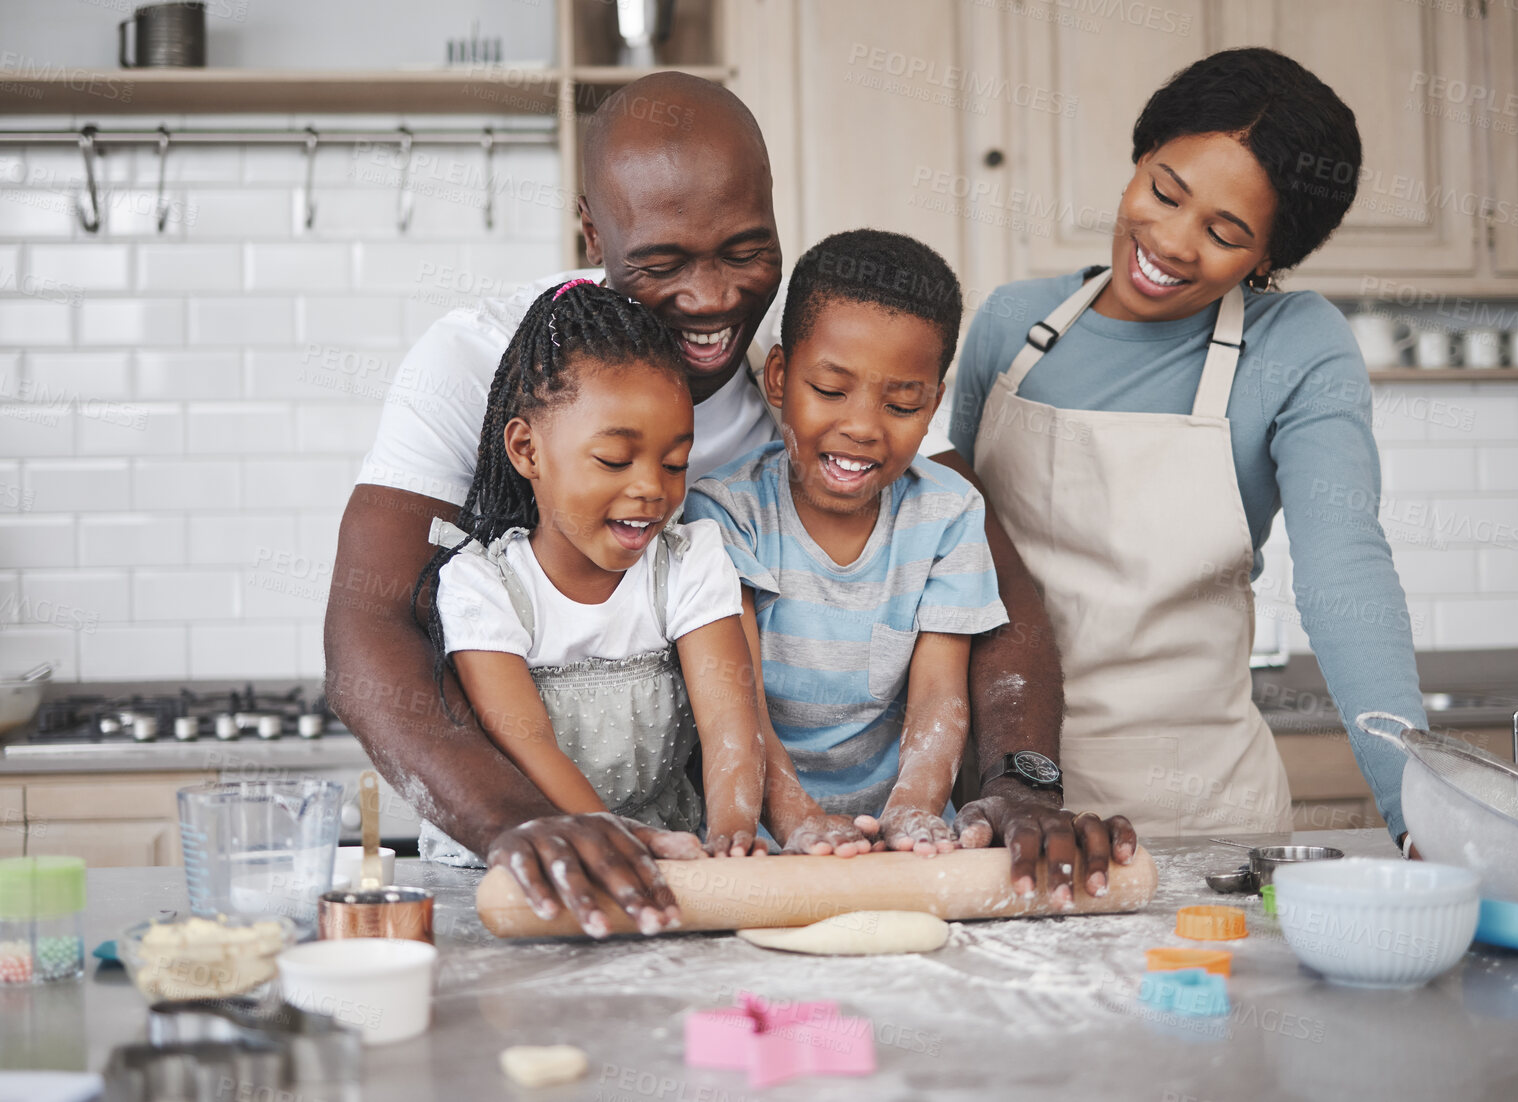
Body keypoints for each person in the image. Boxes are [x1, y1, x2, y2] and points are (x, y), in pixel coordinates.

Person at [326, 73, 1135, 934]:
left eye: (746, 252)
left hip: (715, 867)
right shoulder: (485, 363)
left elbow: (999, 601)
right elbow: (368, 628)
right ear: (593, 229)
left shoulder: (828, 365)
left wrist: (1020, 782)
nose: (712, 299)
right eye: (664, 263)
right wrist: (522, 823)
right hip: (535, 863)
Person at [949, 48, 1427, 845]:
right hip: (1009, 807)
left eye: (1225, 233)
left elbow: (1347, 573)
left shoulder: (1298, 347)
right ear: (1141, 159)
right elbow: (945, 552)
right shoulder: (1009, 324)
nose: (1170, 241)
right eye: (1164, 192)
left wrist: (1422, 812)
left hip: (1202, 819)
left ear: (1269, 257)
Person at [414, 281, 767, 936]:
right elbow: (529, 747)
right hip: (522, 877)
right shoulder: (482, 585)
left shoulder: (688, 563)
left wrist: (733, 838)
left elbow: (729, 728)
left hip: (668, 866)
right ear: (527, 450)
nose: (650, 490)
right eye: (613, 459)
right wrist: (612, 841)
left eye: (674, 463)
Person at [687, 230, 1008, 859]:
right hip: (759, 835)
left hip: (903, 841)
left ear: (933, 404)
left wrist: (914, 808)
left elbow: (939, 697)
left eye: (901, 402)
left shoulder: (948, 514)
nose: (861, 426)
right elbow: (737, 692)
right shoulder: (727, 513)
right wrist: (793, 815)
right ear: (779, 378)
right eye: (830, 391)